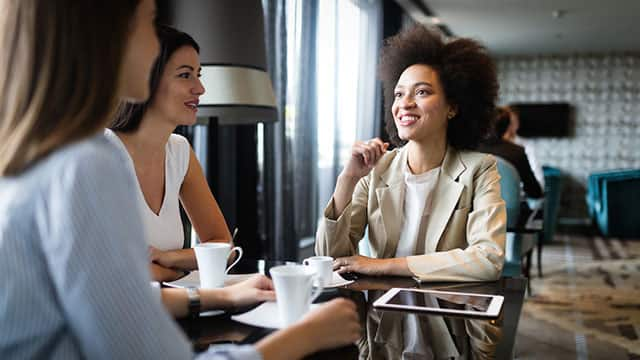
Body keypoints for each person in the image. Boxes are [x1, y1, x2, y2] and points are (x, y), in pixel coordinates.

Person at [0, 1, 360, 359]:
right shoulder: (86, 165)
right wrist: (302, 337)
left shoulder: (37, 160)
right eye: (148, 21)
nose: (155, 43)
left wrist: (216, 291)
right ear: (109, 36)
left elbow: (124, 300)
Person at [315, 25, 506, 283]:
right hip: (383, 316)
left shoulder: (480, 169)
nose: (404, 103)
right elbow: (330, 260)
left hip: (446, 312)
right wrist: (347, 179)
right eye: (399, 93)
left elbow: (488, 260)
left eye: (422, 92)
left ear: (452, 107)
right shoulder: (376, 168)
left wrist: (382, 265)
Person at [107, 25, 229, 282]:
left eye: (198, 74)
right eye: (185, 75)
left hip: (174, 309)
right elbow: (115, 275)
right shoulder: (102, 155)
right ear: (145, 80)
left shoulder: (179, 150)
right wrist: (188, 266)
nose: (200, 89)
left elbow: (222, 245)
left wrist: (172, 258)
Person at [477, 106, 544, 199]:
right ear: (507, 126)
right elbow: (535, 192)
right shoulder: (517, 152)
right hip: (509, 210)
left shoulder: (471, 150)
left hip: (476, 209)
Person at [502, 106, 545, 188]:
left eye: (513, 123)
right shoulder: (489, 147)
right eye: (508, 123)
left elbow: (537, 176)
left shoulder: (526, 147)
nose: (510, 127)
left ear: (517, 124)